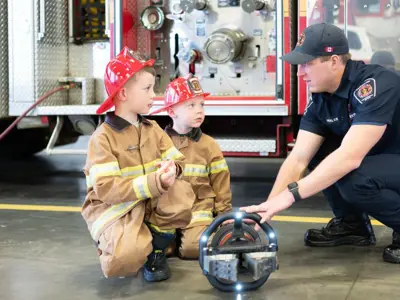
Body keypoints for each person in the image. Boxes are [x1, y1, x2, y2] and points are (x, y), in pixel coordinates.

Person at [240, 23, 400, 264]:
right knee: (320, 155)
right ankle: (352, 226)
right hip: (388, 160)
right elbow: (299, 159)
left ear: (334, 61)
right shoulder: (322, 99)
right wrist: (267, 209)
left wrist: (290, 196)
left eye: (307, 64)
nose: (298, 73)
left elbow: (349, 158)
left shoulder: (376, 84)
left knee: (352, 177)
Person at [81, 47, 196, 282]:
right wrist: (155, 181)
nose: (154, 95)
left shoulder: (152, 129)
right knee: (123, 261)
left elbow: (177, 159)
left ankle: (156, 251)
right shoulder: (102, 138)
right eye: (147, 89)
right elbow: (108, 188)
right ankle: (114, 238)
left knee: (180, 193)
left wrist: (173, 169)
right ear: (123, 94)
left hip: (148, 202)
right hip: (118, 208)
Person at [150, 74, 232, 258]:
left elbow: (221, 182)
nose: (199, 111)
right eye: (191, 105)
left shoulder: (209, 145)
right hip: (166, 210)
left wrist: (223, 215)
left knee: (193, 249)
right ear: (171, 112)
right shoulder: (158, 142)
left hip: (197, 209)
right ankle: (173, 239)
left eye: (202, 105)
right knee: (162, 249)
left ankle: (188, 237)